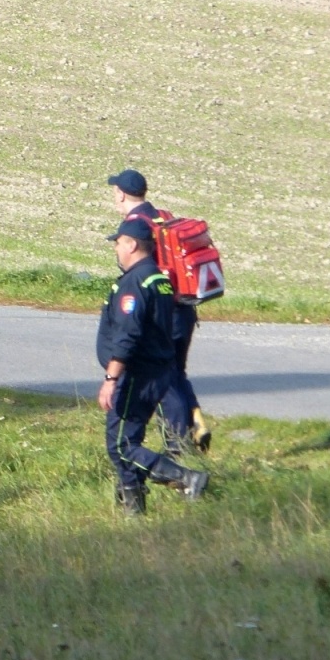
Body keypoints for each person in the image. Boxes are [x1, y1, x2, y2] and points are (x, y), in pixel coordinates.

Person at [97, 217, 209, 516]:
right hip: (157, 372)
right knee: (126, 442)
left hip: (137, 375)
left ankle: (186, 479)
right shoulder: (159, 279)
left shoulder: (135, 283)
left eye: (119, 243)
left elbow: (128, 335)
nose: (117, 249)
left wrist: (111, 378)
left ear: (132, 244)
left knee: (120, 446)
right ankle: (134, 514)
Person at [109, 168, 210, 454]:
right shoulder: (163, 215)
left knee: (164, 373)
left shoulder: (134, 226)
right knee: (176, 370)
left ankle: (178, 445)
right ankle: (194, 420)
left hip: (163, 311)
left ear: (121, 194)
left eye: (115, 191)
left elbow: (134, 273)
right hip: (185, 305)